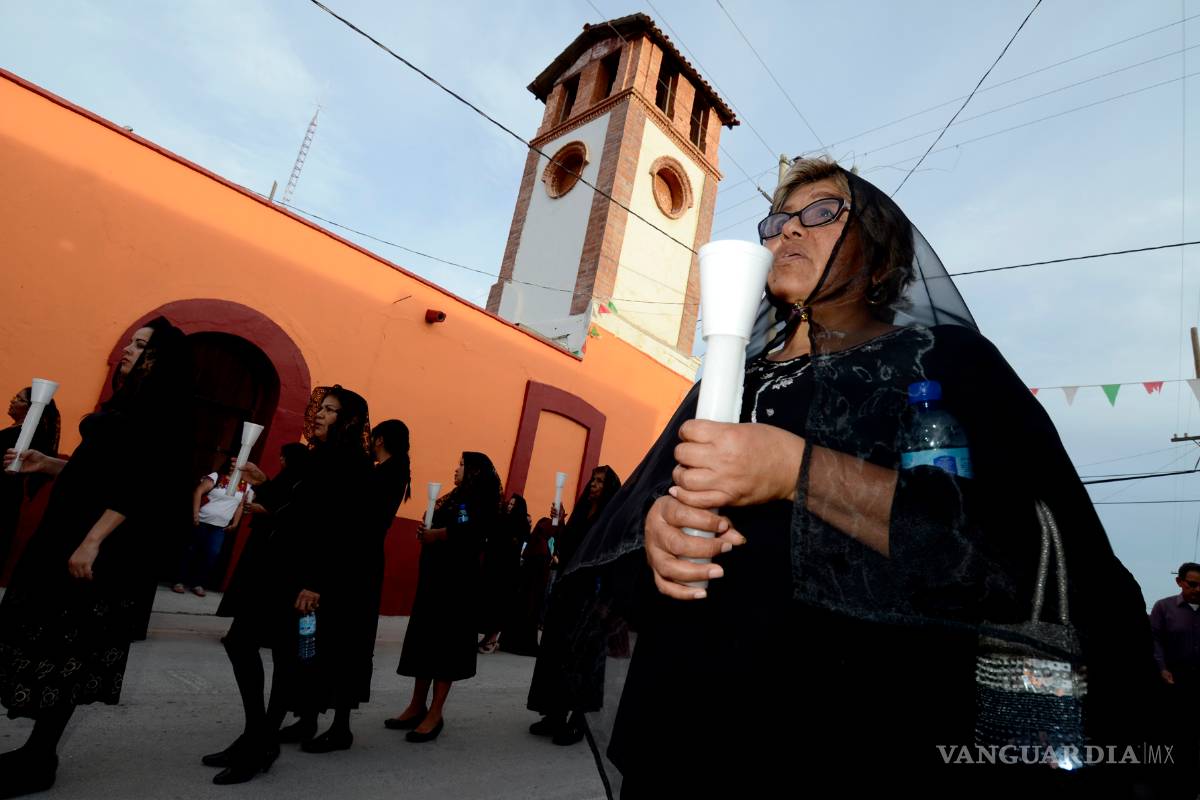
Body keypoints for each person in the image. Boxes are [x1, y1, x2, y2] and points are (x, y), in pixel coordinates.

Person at [559, 159, 1160, 798]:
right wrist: (658, 532)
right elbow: (632, 525)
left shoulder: (947, 363)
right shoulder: (728, 379)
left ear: (880, 260)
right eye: (777, 220)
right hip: (684, 730)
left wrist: (795, 470)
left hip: (852, 737)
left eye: (821, 213)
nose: (787, 231)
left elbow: (1013, 544)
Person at [0, 317, 193, 798]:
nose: (128, 349)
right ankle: (33, 750)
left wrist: (93, 541)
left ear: (159, 359)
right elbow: (96, 472)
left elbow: (142, 486)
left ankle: (41, 757)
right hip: (63, 535)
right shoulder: (126, 404)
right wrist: (49, 463)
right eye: (131, 341)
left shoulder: (161, 413)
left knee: (65, 651)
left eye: (141, 345)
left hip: (93, 546)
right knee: (43, 641)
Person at [202, 385, 372, 784]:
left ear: (348, 420)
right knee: (241, 643)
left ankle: (259, 742)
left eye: (330, 411)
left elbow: (343, 532)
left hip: (305, 577)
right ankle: (258, 735)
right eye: (321, 408)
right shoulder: (316, 456)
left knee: (285, 658)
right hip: (276, 566)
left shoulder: (353, 464)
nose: (319, 415)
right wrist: (262, 479)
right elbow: (286, 503)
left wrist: (316, 584)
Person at [295, 418, 412, 754]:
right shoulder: (391, 471)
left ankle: (339, 726)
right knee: (335, 642)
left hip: (354, 566)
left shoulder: (384, 473)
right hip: (359, 563)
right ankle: (314, 716)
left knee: (344, 644)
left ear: (379, 439)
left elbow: (356, 523)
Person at [388, 451, 500, 742]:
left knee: (445, 644)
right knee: (424, 639)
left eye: (462, 465)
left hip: (456, 584)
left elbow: (468, 531)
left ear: (475, 471)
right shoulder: (456, 497)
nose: (456, 469)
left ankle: (435, 713)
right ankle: (416, 705)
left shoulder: (472, 500)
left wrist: (437, 535)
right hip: (435, 579)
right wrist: (428, 528)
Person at [527, 466, 621, 744]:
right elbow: (565, 551)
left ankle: (578, 721)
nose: (593, 484)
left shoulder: (610, 520)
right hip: (567, 595)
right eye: (593, 479)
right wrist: (562, 525)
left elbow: (611, 560)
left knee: (582, 660)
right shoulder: (582, 514)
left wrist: (606, 601)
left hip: (592, 599)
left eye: (600, 481)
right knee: (556, 653)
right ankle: (554, 714)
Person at [1149, 562, 1200, 795]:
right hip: (1173, 683)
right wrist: (1162, 668)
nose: (1198, 589)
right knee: (1174, 736)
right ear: (1179, 582)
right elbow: (1154, 641)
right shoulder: (1164, 608)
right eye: (1193, 584)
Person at [173, 456, 254, 597]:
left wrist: (235, 523)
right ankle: (179, 581)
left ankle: (198, 584)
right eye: (231, 464)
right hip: (202, 521)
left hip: (220, 527)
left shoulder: (245, 485)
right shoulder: (216, 477)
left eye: (236, 465)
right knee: (191, 550)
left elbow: (241, 506)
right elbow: (198, 491)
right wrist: (195, 514)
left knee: (212, 554)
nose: (233, 467)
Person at [0, 387, 60, 572]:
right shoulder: (16, 431)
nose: (12, 400)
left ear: (32, 408)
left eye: (19, 399)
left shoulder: (26, 437)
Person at [478, 493, 528, 654]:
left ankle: (492, 638)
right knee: (487, 603)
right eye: (510, 504)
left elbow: (517, 547)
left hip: (506, 573)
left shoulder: (521, 525)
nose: (510, 506)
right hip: (492, 569)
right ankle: (487, 636)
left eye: (514, 505)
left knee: (498, 605)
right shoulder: (501, 520)